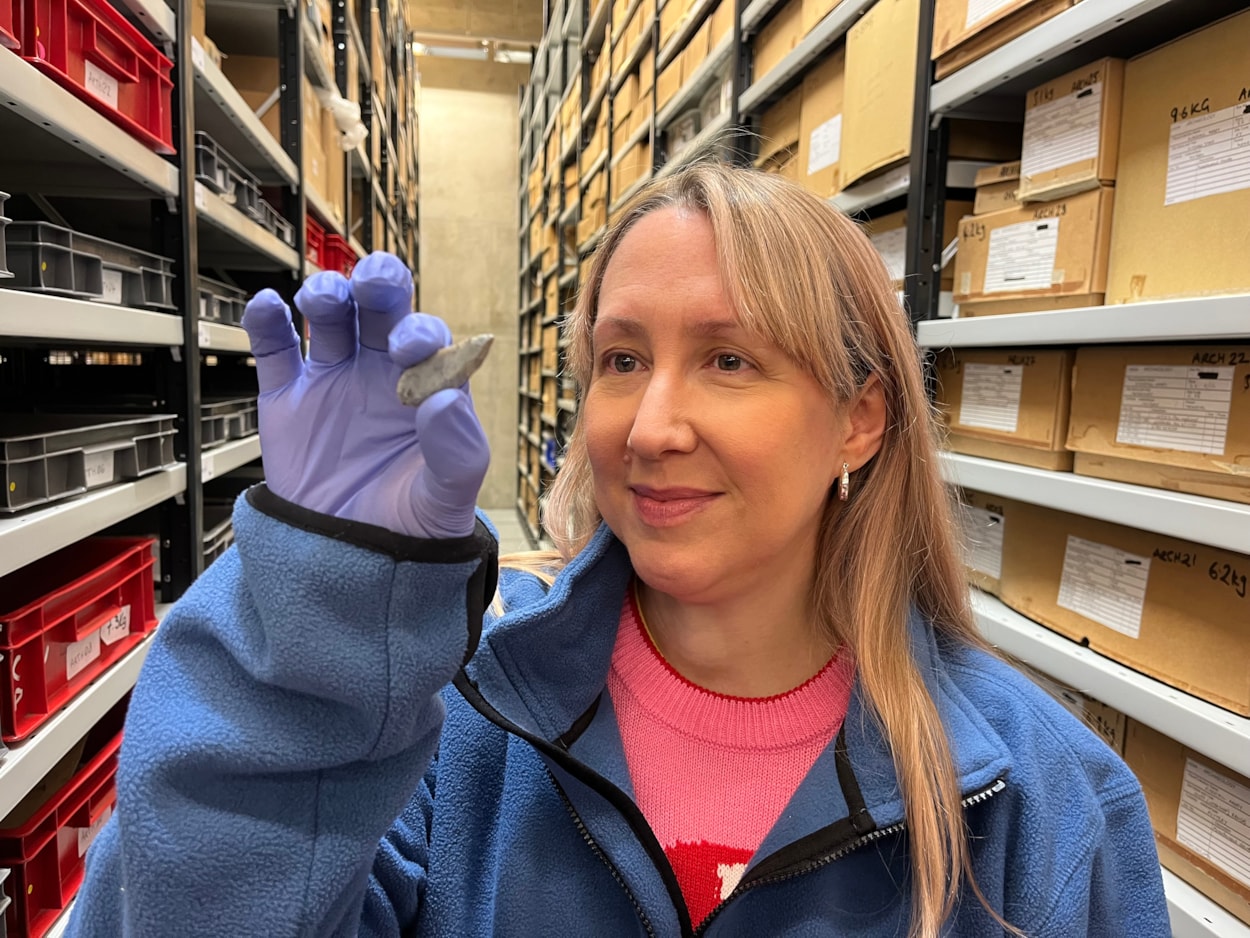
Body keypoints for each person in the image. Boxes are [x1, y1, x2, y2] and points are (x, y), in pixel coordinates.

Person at [68, 160, 1168, 938]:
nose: (647, 427)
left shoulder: (1042, 810)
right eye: (621, 358)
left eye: (729, 359)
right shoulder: (454, 734)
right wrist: (312, 618)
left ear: (859, 417)